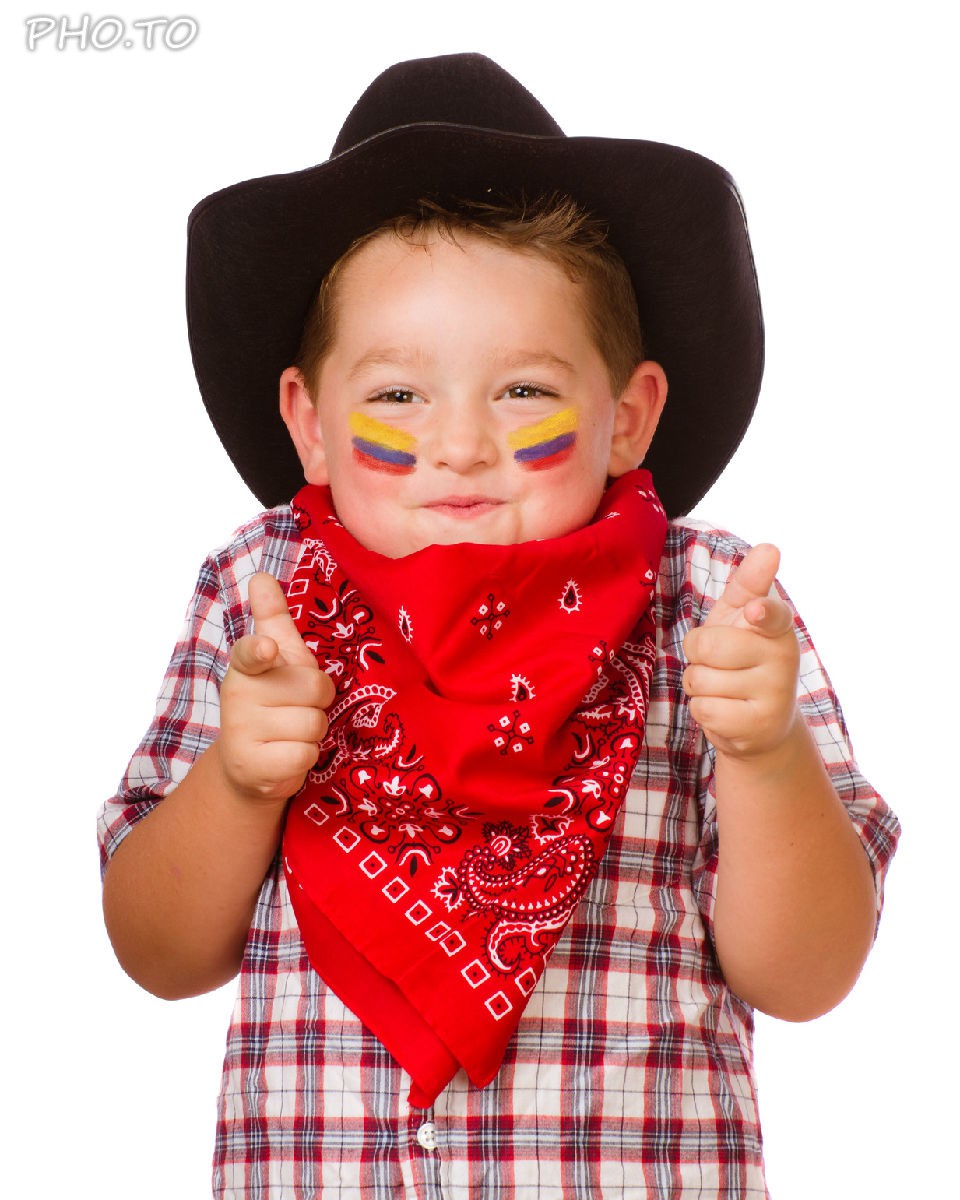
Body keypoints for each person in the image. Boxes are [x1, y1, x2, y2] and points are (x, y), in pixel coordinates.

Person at [98, 53, 900, 1199]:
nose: (460, 443)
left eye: (523, 390)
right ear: (310, 426)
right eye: (395, 396)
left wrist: (767, 755)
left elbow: (809, 974)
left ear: (627, 417)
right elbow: (158, 955)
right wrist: (235, 780)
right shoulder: (257, 595)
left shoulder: (714, 611)